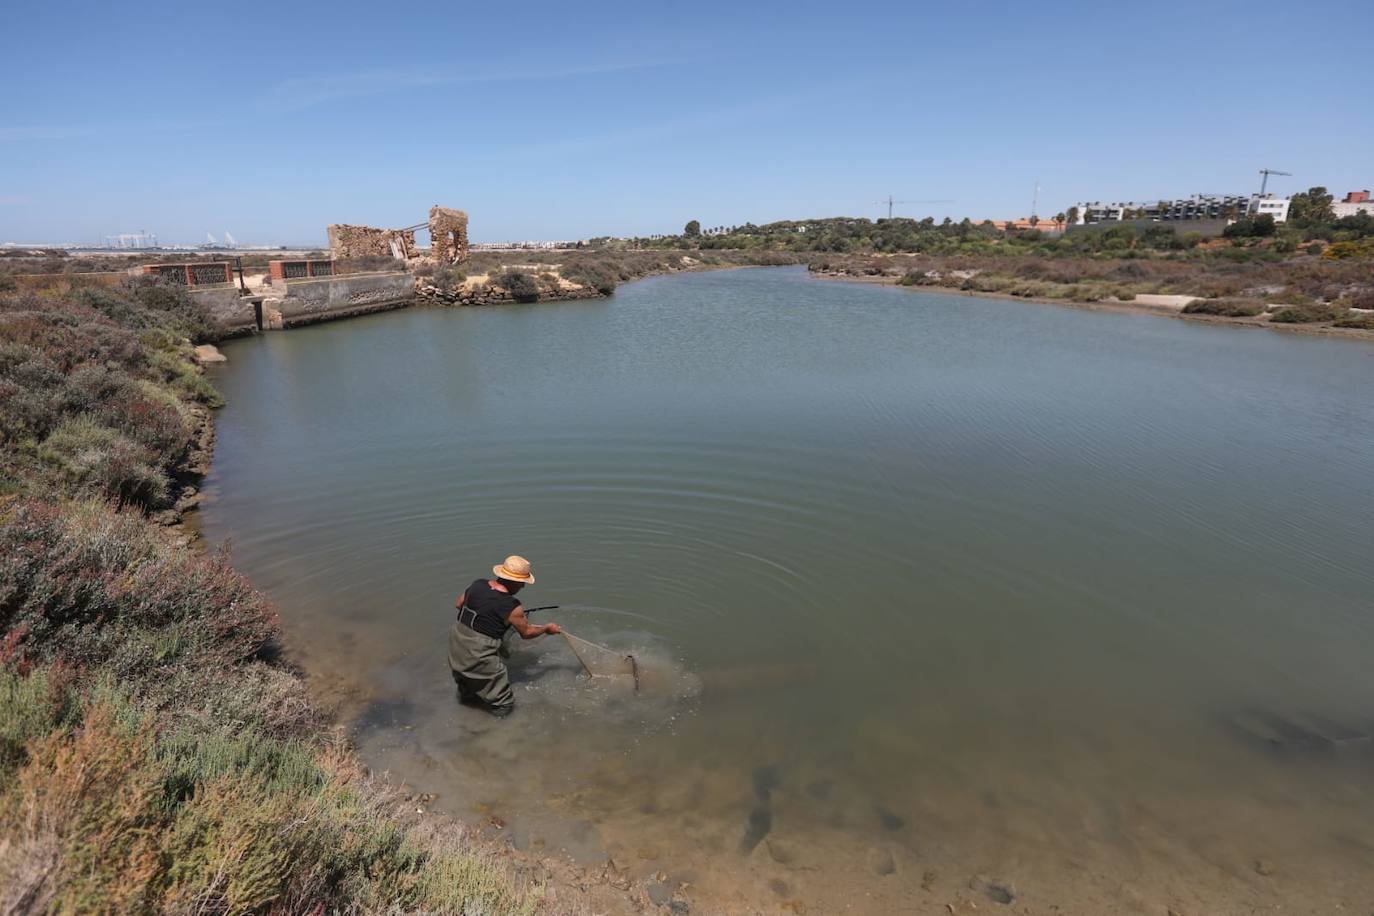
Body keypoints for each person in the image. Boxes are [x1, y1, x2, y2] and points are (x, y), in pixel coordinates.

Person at [448, 555, 561, 717]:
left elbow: (458, 604)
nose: (523, 586)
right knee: (503, 702)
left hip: (456, 642)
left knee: (467, 688)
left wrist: (489, 617)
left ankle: (466, 715)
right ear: (514, 581)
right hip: (478, 653)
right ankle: (497, 729)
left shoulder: (478, 584)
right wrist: (546, 629)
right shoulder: (512, 606)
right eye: (522, 582)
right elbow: (527, 633)